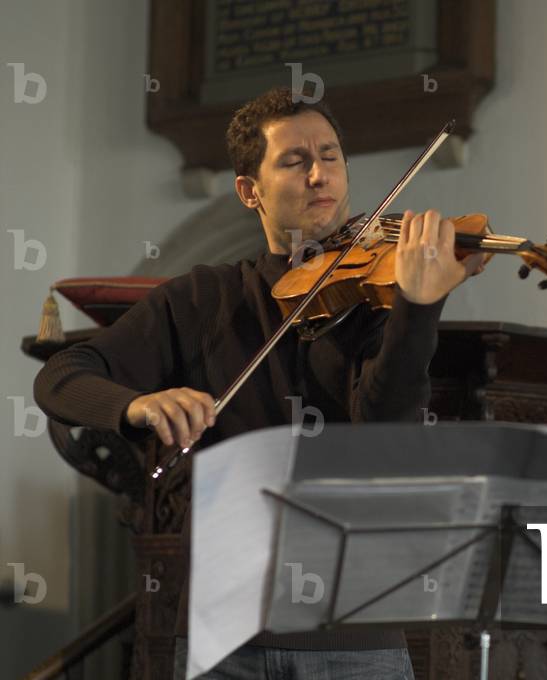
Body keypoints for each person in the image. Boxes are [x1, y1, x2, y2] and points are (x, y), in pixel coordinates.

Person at [34, 87, 485, 679]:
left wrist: (418, 307)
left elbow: (384, 432)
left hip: (355, 632)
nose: (320, 174)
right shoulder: (200, 299)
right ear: (251, 190)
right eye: (296, 161)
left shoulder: (381, 298)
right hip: (225, 635)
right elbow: (62, 378)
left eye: (331, 155)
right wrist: (139, 404)